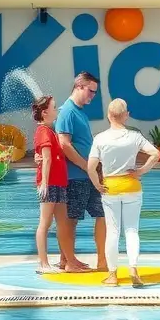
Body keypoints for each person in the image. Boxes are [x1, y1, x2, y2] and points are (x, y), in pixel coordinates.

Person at [87, 98, 160, 288]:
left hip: (110, 187)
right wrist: (141, 171)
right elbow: (156, 154)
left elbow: (91, 166)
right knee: (131, 230)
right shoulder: (134, 137)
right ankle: (133, 269)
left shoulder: (100, 138)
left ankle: (112, 275)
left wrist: (97, 184)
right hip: (132, 187)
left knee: (112, 231)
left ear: (109, 116)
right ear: (126, 115)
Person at [55, 72, 107, 271]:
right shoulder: (67, 112)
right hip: (76, 176)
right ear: (79, 86)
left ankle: (97, 260)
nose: (93, 96)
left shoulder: (80, 112)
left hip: (88, 174)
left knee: (101, 214)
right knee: (71, 219)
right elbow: (64, 145)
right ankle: (67, 261)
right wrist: (87, 166)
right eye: (91, 91)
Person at [31, 95, 89, 274]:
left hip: (60, 183)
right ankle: (43, 263)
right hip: (50, 185)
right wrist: (44, 184)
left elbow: (49, 157)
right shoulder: (43, 132)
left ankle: (68, 260)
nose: (57, 111)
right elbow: (46, 159)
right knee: (45, 223)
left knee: (63, 222)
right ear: (45, 112)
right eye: (54, 108)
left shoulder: (52, 132)